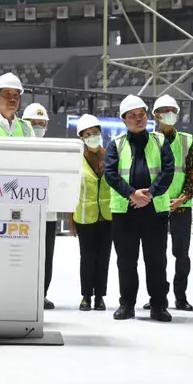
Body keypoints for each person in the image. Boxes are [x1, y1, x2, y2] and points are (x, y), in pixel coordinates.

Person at [104, 94, 175, 322]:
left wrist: (150, 194)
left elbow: (168, 171)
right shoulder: (115, 145)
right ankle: (127, 305)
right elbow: (111, 175)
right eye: (132, 116)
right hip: (125, 211)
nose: (138, 119)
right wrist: (132, 194)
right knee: (126, 260)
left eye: (141, 114)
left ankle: (158, 305)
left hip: (155, 211)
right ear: (124, 120)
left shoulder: (160, 141)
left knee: (156, 260)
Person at [142, 94, 193, 312]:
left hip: (181, 206)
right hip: (156, 206)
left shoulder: (187, 140)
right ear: (156, 115)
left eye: (173, 110)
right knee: (156, 255)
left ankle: (181, 296)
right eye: (165, 110)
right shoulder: (148, 141)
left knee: (181, 254)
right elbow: (145, 174)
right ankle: (158, 295)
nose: (170, 114)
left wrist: (183, 198)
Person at [68, 114, 112, 312]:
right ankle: (86, 296)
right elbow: (70, 191)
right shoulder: (76, 160)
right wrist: (70, 220)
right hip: (84, 216)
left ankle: (100, 296)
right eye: (88, 134)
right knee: (87, 257)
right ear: (81, 137)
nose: (93, 136)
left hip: (108, 216)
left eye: (95, 133)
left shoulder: (110, 155)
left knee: (104, 257)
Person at [22, 102, 57, 309]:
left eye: (41, 123)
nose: (37, 127)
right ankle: (24, 293)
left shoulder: (53, 150)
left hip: (48, 215)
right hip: (24, 214)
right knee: (24, 257)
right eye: (33, 123)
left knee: (45, 258)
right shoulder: (18, 148)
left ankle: (41, 294)